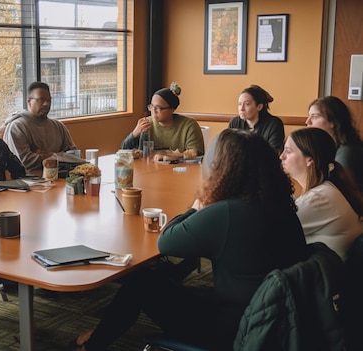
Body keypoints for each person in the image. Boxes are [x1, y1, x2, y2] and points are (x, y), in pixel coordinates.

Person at [75, 129, 306, 350]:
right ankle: (97, 337)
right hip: (274, 319)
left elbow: (167, 242)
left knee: (140, 282)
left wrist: (198, 205)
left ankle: (94, 345)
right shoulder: (280, 206)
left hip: (236, 327)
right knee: (161, 277)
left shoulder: (227, 213)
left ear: (223, 169)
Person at [280, 127, 363, 261]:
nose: (281, 156)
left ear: (309, 160)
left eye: (288, 151)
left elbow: (271, 230)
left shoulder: (320, 198)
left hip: (327, 279)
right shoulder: (327, 190)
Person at [1, 82, 78, 175]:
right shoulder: (17, 127)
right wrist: (61, 157)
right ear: (29, 101)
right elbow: (24, 162)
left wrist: (50, 156)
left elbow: (76, 156)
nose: (46, 104)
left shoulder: (58, 126)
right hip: (30, 183)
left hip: (61, 178)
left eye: (49, 100)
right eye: (41, 100)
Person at [120, 82, 204, 159]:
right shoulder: (146, 124)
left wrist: (173, 156)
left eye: (158, 108)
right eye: (151, 106)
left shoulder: (189, 126)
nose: (153, 111)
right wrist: (134, 134)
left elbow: (197, 154)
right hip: (148, 171)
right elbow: (123, 152)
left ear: (172, 109)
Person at [305, 95, 363, 193]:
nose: (307, 122)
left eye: (315, 116)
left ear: (333, 122)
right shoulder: (329, 146)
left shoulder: (347, 151)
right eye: (309, 116)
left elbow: (337, 190)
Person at [228, 85, 284, 153]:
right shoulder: (235, 122)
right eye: (239, 104)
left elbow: (272, 155)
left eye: (247, 104)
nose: (241, 109)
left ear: (259, 107)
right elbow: (228, 148)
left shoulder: (274, 124)